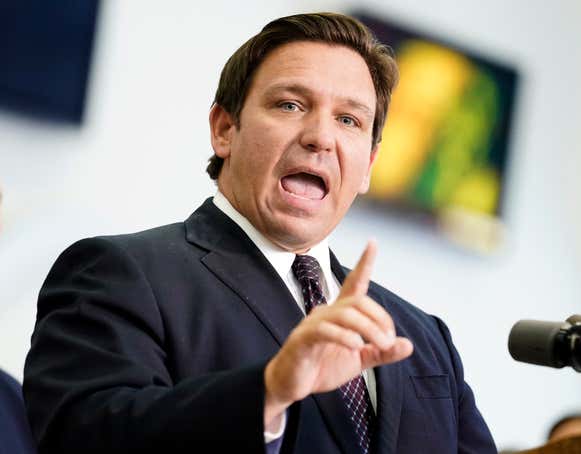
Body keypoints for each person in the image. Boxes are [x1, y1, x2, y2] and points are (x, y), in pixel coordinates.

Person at [23, 12, 496, 454]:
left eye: (349, 120)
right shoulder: (120, 274)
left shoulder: (423, 336)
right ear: (225, 128)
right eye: (291, 105)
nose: (321, 137)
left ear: (369, 165)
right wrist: (268, 393)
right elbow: (84, 436)